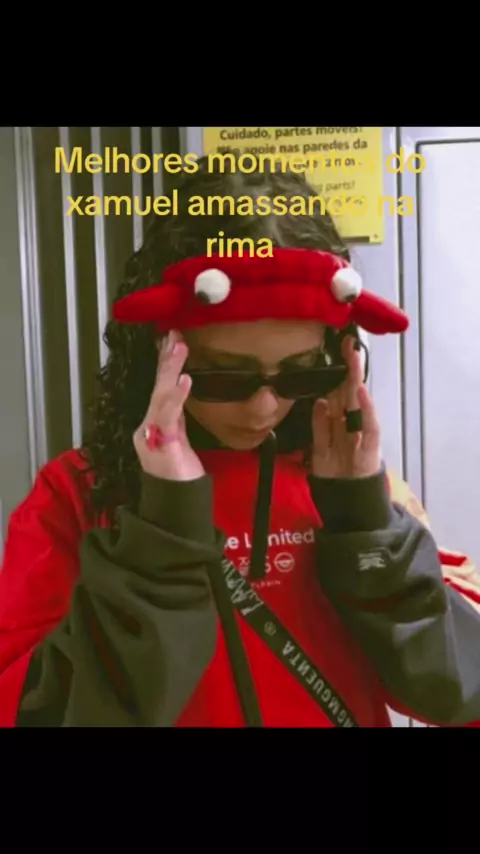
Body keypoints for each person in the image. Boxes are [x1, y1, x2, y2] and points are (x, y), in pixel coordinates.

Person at [1, 154, 480, 728]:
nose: (265, 408)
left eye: (300, 374)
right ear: (159, 352)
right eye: (224, 376)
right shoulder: (77, 494)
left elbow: (459, 692)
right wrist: (162, 535)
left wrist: (364, 524)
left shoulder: (355, 486)